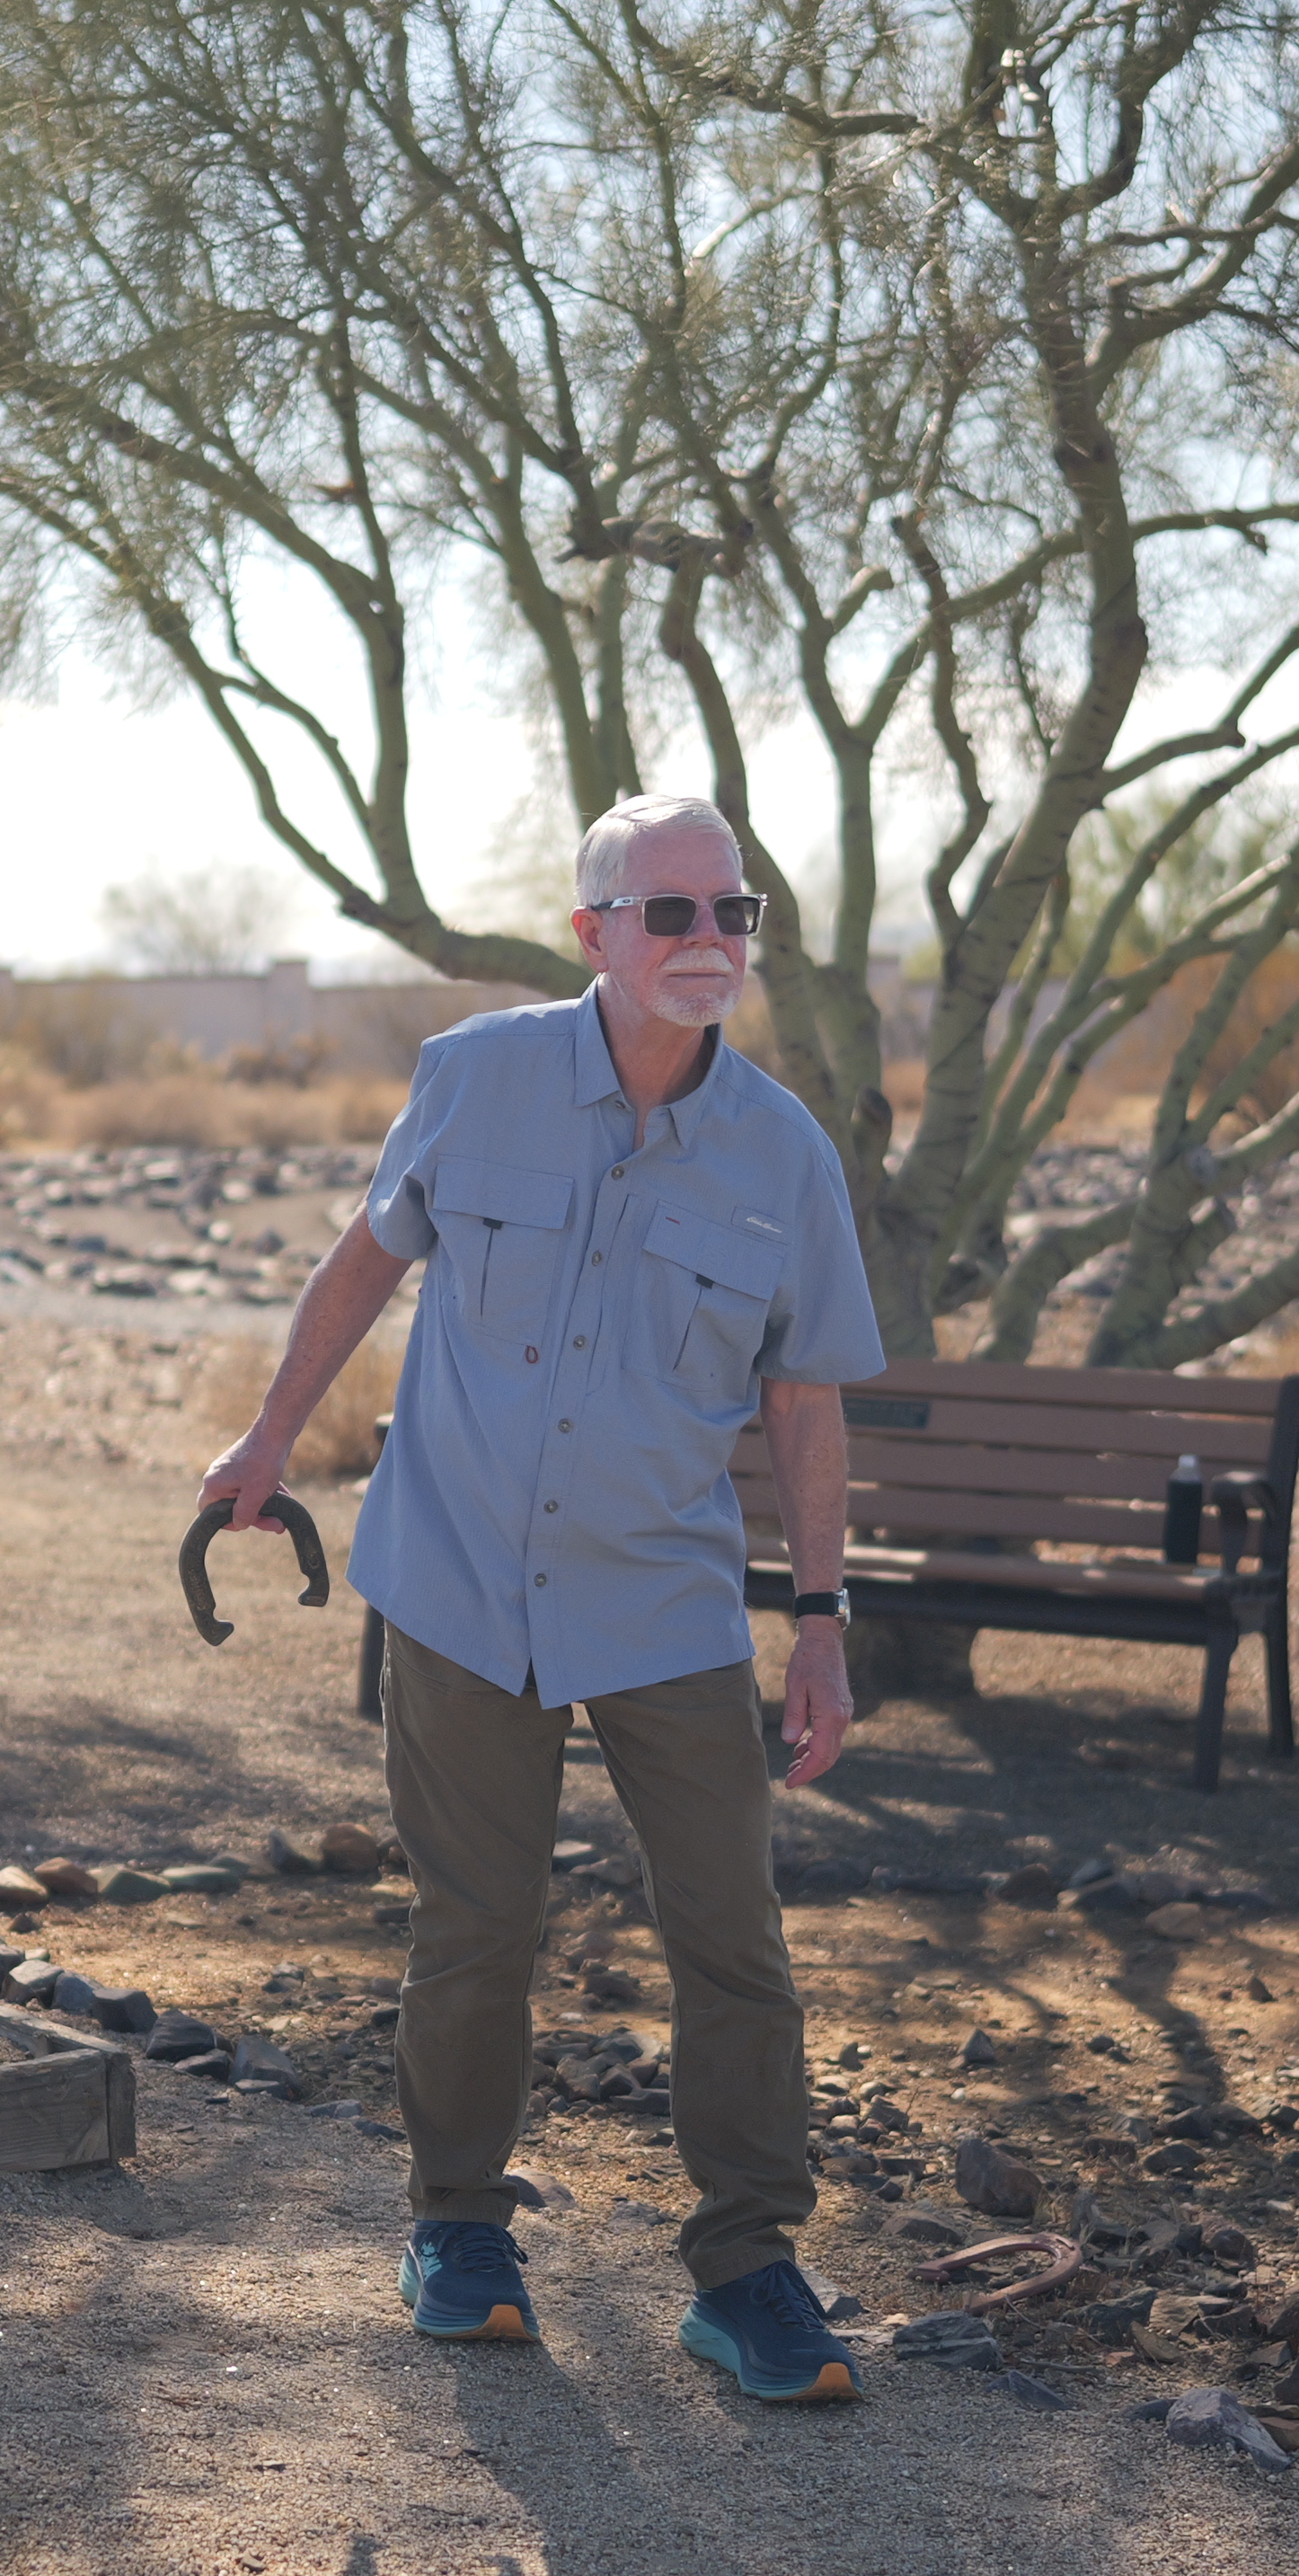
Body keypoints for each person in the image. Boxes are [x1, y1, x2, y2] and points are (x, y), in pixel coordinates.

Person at [192, 795, 888, 2402]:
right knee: (479, 1926)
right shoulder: (475, 1076)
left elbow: (804, 1404)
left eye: (737, 911)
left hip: (664, 1602)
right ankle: (457, 2225)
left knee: (733, 1939)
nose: (711, 940)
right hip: (457, 1577)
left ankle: (749, 2270)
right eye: (672, 915)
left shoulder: (787, 1153)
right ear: (595, 936)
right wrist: (270, 1434)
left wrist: (825, 1621)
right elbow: (366, 1261)